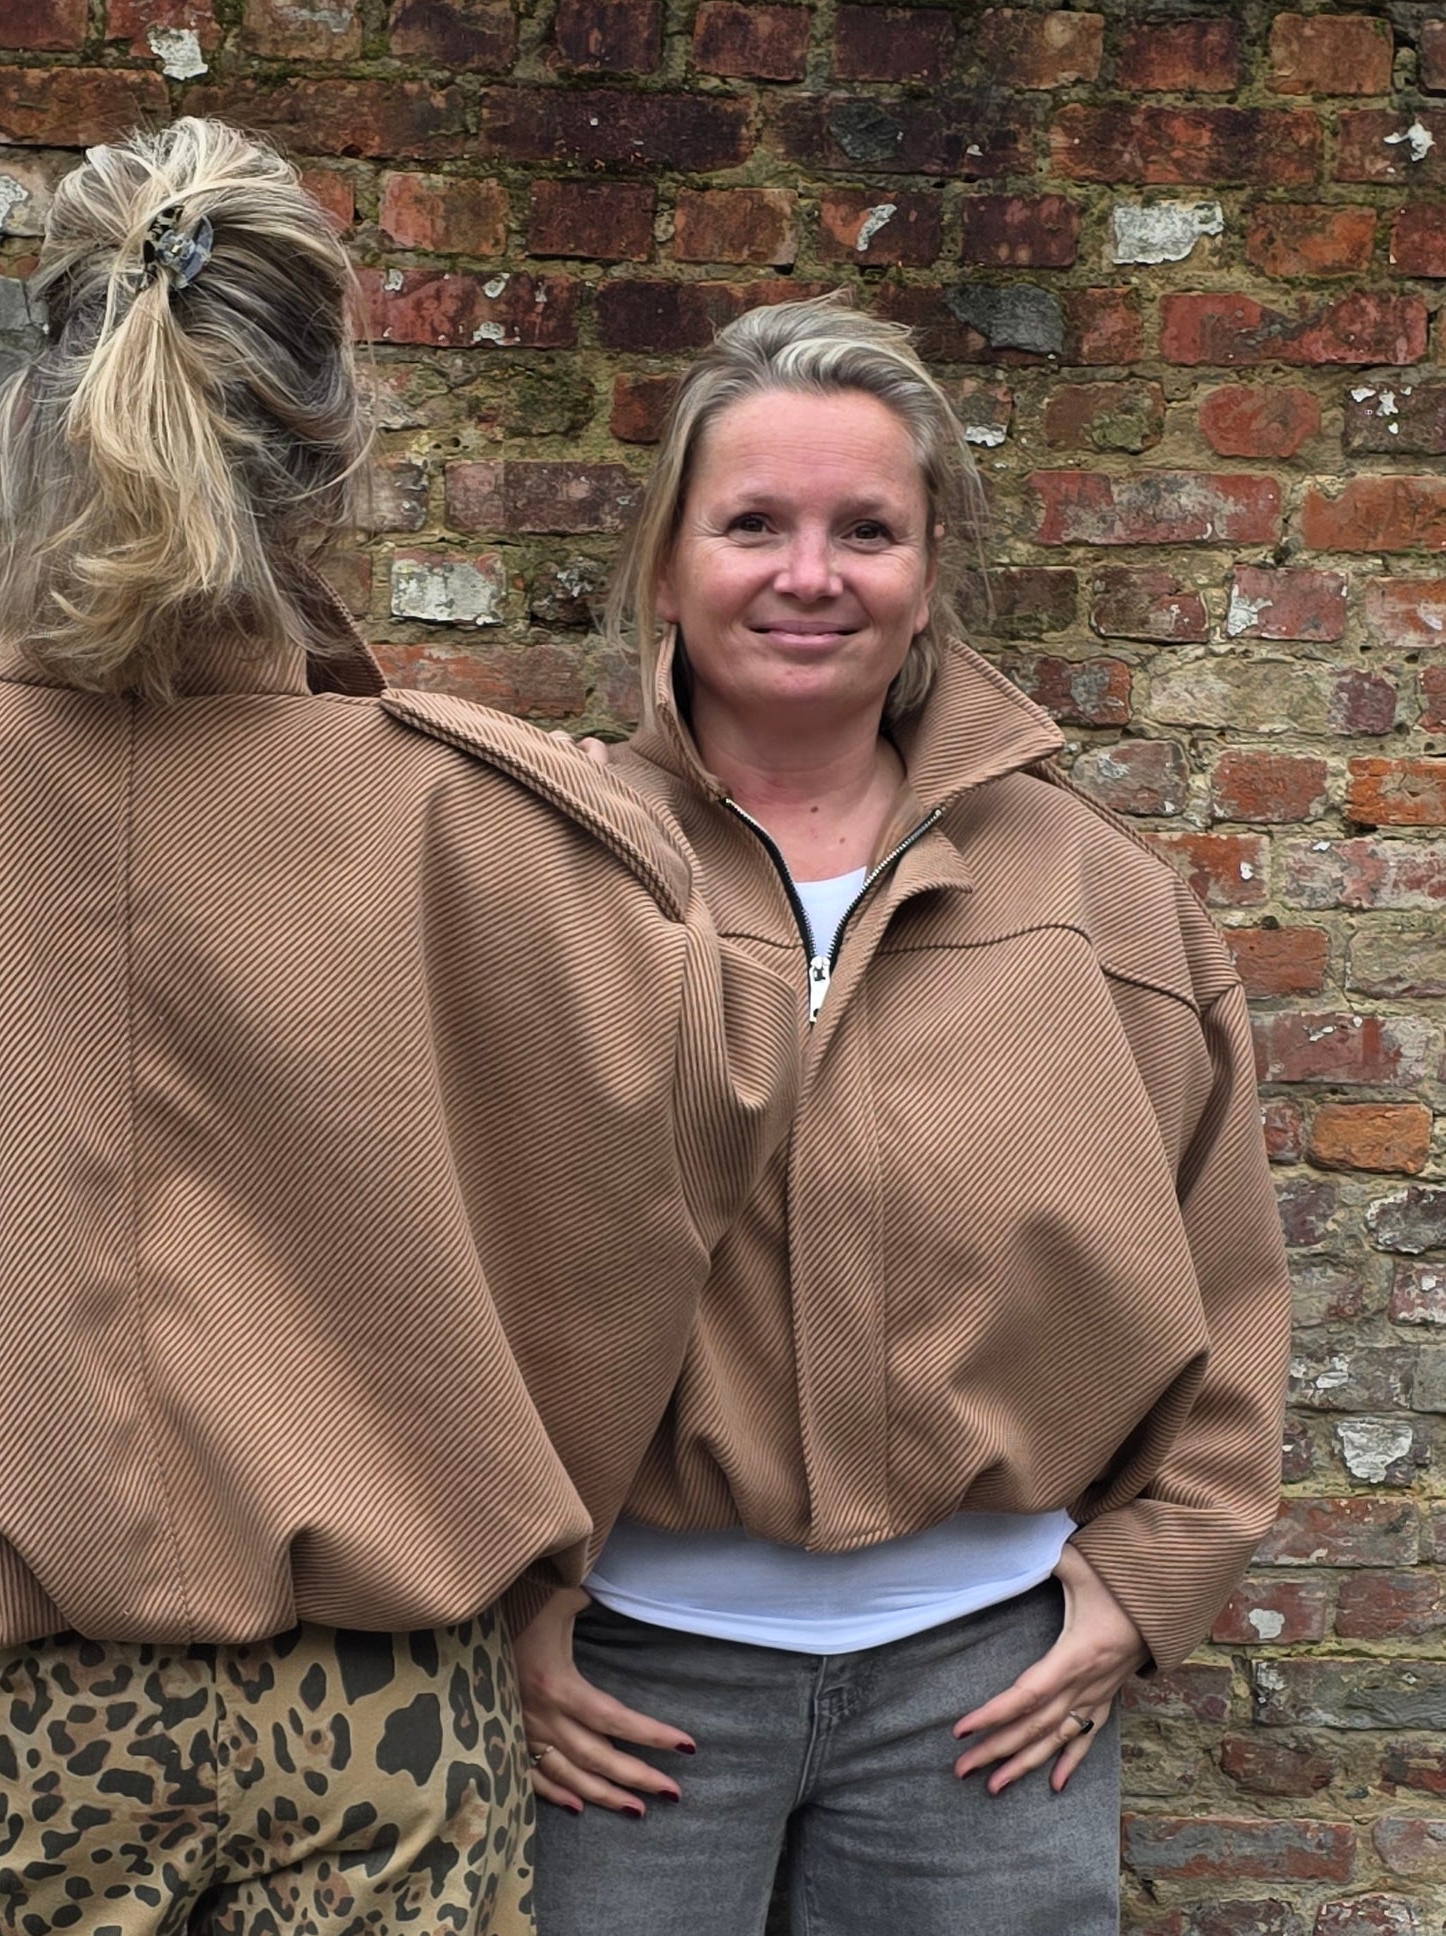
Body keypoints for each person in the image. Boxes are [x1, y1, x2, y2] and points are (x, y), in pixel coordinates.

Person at [0, 119, 798, 1936]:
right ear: (331, 440)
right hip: (391, 1719)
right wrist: (522, 1545)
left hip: (12, 1710)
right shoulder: (490, 820)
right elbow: (682, 1167)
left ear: (36, 415)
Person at [518, 296, 1293, 1936]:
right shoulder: (539, 875)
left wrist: (1151, 1576)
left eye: (865, 531)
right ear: (664, 567)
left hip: (985, 1704)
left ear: (929, 573)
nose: (809, 575)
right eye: (751, 525)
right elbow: (420, 1267)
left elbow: (1222, 1267)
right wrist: (492, 1608)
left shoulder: (1093, 897)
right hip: (618, 1694)